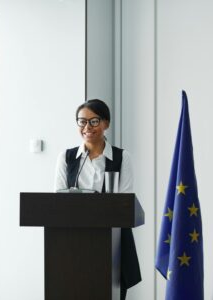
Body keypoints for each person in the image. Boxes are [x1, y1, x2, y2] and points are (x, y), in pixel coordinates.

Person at [54, 99, 141, 300]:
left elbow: (124, 202)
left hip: (112, 245)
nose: (87, 127)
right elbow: (57, 201)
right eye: (82, 121)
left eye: (94, 121)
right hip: (72, 244)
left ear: (106, 123)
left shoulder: (121, 157)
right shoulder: (66, 158)